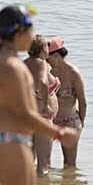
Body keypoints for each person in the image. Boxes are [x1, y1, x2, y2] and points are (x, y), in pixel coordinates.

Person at [0, 6, 79, 185]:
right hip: (9, 141)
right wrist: (58, 133)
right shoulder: (11, 66)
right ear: (19, 32)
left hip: (11, 140)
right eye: (31, 29)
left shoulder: (8, 61)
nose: (35, 36)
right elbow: (26, 113)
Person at [46, 36, 87, 168]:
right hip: (53, 123)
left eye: (48, 59)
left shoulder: (74, 73)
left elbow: (82, 101)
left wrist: (81, 122)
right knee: (45, 163)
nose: (47, 62)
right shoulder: (51, 72)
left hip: (70, 121)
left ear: (57, 55)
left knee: (69, 165)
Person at [24, 36, 59, 176]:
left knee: (29, 163)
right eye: (46, 46)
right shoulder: (42, 64)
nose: (48, 49)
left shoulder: (23, 64)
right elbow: (43, 82)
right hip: (42, 117)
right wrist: (45, 106)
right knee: (44, 166)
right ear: (42, 49)